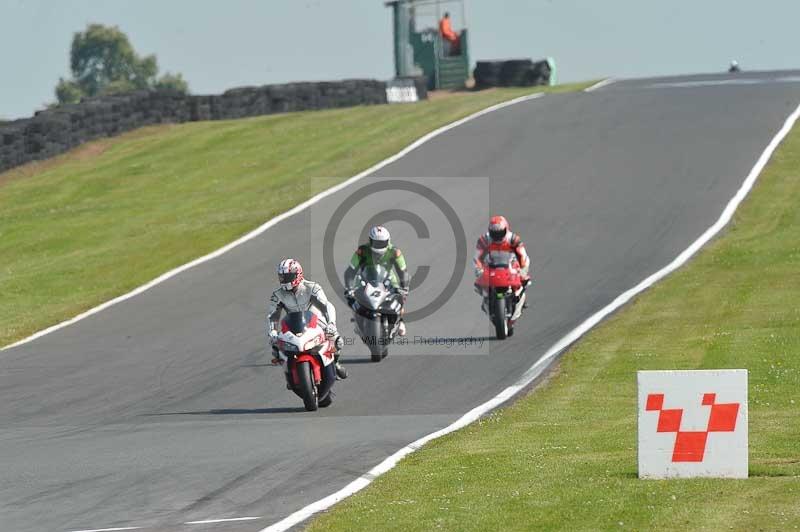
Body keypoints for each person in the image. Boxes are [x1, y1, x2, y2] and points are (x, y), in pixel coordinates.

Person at [268, 258, 347, 380]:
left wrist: (331, 323)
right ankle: (289, 374)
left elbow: (326, 306)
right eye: (282, 277)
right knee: (276, 347)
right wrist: (272, 331)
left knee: (337, 340)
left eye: (288, 276)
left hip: (315, 322)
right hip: (293, 325)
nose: (284, 280)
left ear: (297, 274)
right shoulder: (277, 295)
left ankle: (335, 363)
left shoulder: (312, 288)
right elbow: (273, 315)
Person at [343, 226, 409, 336]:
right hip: (365, 278)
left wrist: (404, 287)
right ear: (370, 241)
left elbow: (403, 271)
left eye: (382, 243)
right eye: (376, 243)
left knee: (400, 296)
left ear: (388, 241)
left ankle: (400, 320)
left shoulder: (395, 252)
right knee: (353, 296)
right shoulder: (362, 251)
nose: (379, 247)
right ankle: (358, 318)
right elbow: (350, 271)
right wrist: (349, 288)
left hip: (387, 278)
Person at [473, 215, 531, 309]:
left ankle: (519, 296)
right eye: (494, 233)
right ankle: (486, 299)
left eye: (500, 233)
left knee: (524, 277)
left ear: (506, 229)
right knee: (479, 284)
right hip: (492, 265)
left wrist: (522, 270)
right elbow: (477, 257)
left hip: (509, 264)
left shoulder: (513, 239)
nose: (497, 236)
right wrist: (479, 269)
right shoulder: (484, 240)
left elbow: (522, 255)